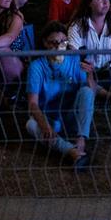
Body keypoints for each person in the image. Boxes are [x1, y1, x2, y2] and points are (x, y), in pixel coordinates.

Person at [26, 21, 95, 170]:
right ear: (45, 43)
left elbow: (89, 94)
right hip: (51, 119)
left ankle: (80, 141)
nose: (59, 47)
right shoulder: (36, 66)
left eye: (63, 42)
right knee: (31, 125)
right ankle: (70, 151)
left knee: (86, 91)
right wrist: (44, 124)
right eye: (54, 43)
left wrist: (90, 75)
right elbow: (32, 103)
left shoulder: (74, 60)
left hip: (72, 115)